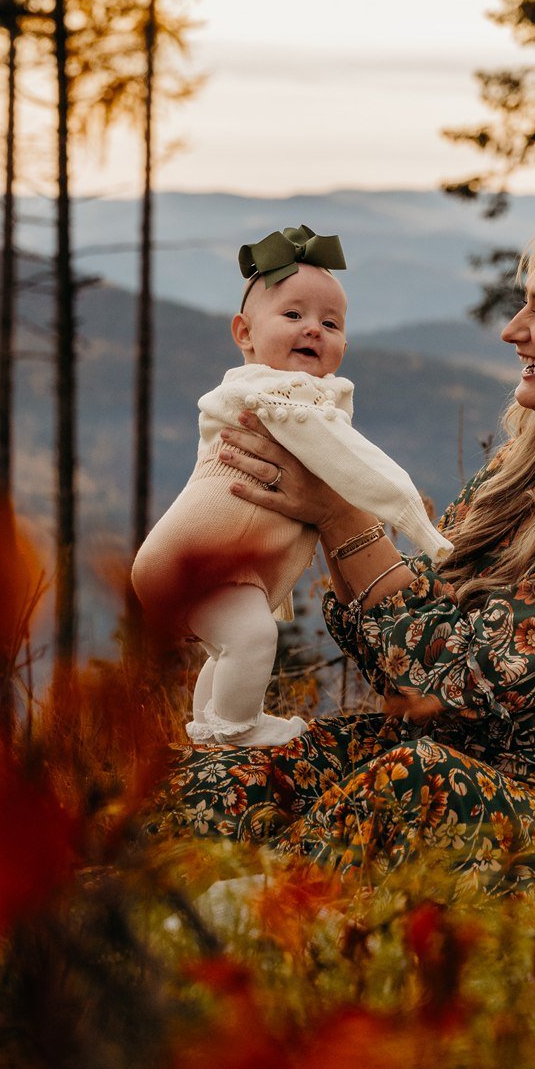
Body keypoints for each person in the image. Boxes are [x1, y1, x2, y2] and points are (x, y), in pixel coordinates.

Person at [156, 218, 535, 892]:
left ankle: (249, 929)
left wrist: (341, 511)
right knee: (218, 778)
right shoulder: (514, 482)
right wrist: (314, 498)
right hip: (437, 765)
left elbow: (446, 683)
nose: (512, 329)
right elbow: (409, 641)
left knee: (411, 785)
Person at [131, 225, 449, 748]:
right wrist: (417, 522)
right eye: (293, 315)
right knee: (254, 638)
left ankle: (211, 729)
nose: (314, 330)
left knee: (232, 643)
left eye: (331, 322)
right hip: (196, 559)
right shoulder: (280, 399)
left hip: (216, 567)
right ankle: (239, 730)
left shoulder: (254, 395)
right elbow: (354, 462)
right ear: (244, 334)